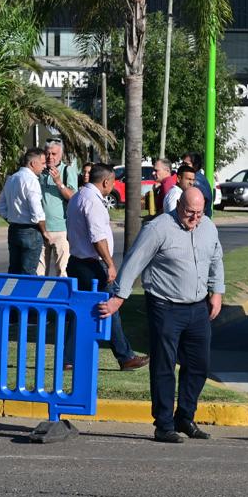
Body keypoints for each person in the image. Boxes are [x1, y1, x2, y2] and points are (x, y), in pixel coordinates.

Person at [98, 188, 225, 444]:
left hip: (198, 307)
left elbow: (216, 259)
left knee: (199, 365)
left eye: (199, 213)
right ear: (179, 205)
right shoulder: (158, 228)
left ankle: (185, 417)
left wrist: (217, 292)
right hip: (165, 306)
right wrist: (119, 298)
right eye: (190, 212)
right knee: (164, 365)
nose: (195, 218)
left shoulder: (208, 227)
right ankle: (164, 424)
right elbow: (134, 261)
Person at [66, 163, 149, 371]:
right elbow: (97, 238)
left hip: (77, 261)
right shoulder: (92, 201)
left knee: (79, 310)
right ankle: (125, 356)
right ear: (106, 181)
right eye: (113, 181)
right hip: (92, 264)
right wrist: (110, 264)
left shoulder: (78, 196)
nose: (113, 185)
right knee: (110, 307)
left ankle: (69, 358)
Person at [0, 148, 50, 275]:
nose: (45, 167)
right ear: (33, 163)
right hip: (30, 231)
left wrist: (12, 219)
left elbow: (1, 207)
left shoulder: (12, 179)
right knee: (28, 273)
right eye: (42, 163)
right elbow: (37, 212)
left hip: (14, 229)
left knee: (14, 271)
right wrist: (44, 232)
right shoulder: (31, 180)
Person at [37, 140, 76, 277]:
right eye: (47, 153)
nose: (50, 157)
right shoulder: (39, 171)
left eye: (54, 154)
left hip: (61, 229)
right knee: (39, 273)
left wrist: (59, 182)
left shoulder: (66, 171)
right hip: (41, 228)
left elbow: (73, 197)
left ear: (61, 154)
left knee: (62, 271)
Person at [180, 152, 215, 217]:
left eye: (186, 164)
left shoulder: (196, 180)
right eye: (182, 163)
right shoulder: (197, 177)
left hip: (198, 219)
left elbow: (205, 200)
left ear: (195, 166)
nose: (183, 166)